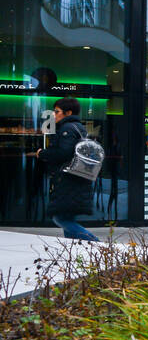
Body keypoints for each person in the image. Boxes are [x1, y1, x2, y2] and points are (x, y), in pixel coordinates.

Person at [35, 97, 99, 242]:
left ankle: (99, 245)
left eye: (57, 112)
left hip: (68, 179)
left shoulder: (67, 128)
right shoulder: (77, 127)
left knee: (60, 218)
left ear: (68, 112)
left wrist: (42, 153)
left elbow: (63, 153)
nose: (54, 114)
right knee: (66, 217)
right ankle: (71, 252)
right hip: (76, 178)